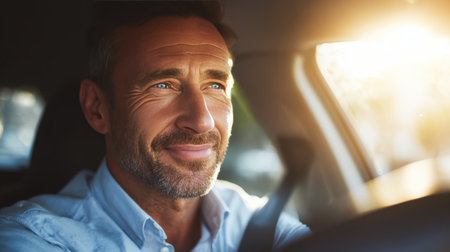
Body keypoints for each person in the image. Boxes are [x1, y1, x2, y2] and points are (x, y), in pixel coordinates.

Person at [0, 2, 310, 251]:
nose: (201, 120)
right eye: (162, 85)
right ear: (97, 108)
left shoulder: (264, 224)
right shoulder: (33, 238)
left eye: (215, 85)